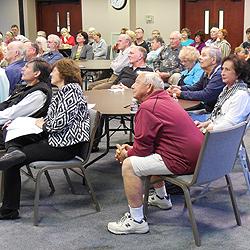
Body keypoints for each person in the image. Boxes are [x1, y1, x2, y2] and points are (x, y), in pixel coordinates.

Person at [107, 72, 203, 234]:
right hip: (198, 159)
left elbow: (143, 151)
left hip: (182, 160)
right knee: (149, 155)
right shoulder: (167, 100)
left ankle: (137, 221)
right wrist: (131, 149)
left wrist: (126, 154)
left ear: (149, 87)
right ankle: (161, 198)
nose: (132, 86)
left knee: (130, 165)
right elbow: (148, 146)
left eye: (137, 83)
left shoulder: (147, 107)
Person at [0, 58, 90, 220]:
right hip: (56, 140)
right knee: (15, 135)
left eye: (54, 71)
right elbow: (52, 120)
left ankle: (9, 210)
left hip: (64, 146)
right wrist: (42, 122)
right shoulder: (64, 91)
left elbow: (57, 124)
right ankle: (13, 153)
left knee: (12, 162)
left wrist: (42, 124)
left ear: (63, 74)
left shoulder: (71, 91)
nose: (51, 75)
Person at [0, 58, 52, 149]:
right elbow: (6, 104)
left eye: (27, 67)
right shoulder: (23, 88)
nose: (22, 69)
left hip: (12, 133)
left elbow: (12, 114)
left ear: (37, 73)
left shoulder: (39, 94)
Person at [168, 46, 225, 121]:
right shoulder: (206, 72)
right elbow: (197, 87)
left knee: (179, 118)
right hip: (207, 109)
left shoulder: (219, 75)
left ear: (213, 60)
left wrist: (181, 93)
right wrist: (180, 88)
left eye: (204, 55)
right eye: (200, 55)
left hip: (213, 115)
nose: (200, 58)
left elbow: (205, 95)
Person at [196, 54, 250, 132]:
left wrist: (205, 129)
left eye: (227, 69)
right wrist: (203, 124)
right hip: (215, 132)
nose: (222, 73)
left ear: (238, 74)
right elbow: (218, 117)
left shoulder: (241, 95)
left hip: (223, 138)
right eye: (222, 69)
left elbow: (229, 124)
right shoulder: (227, 89)